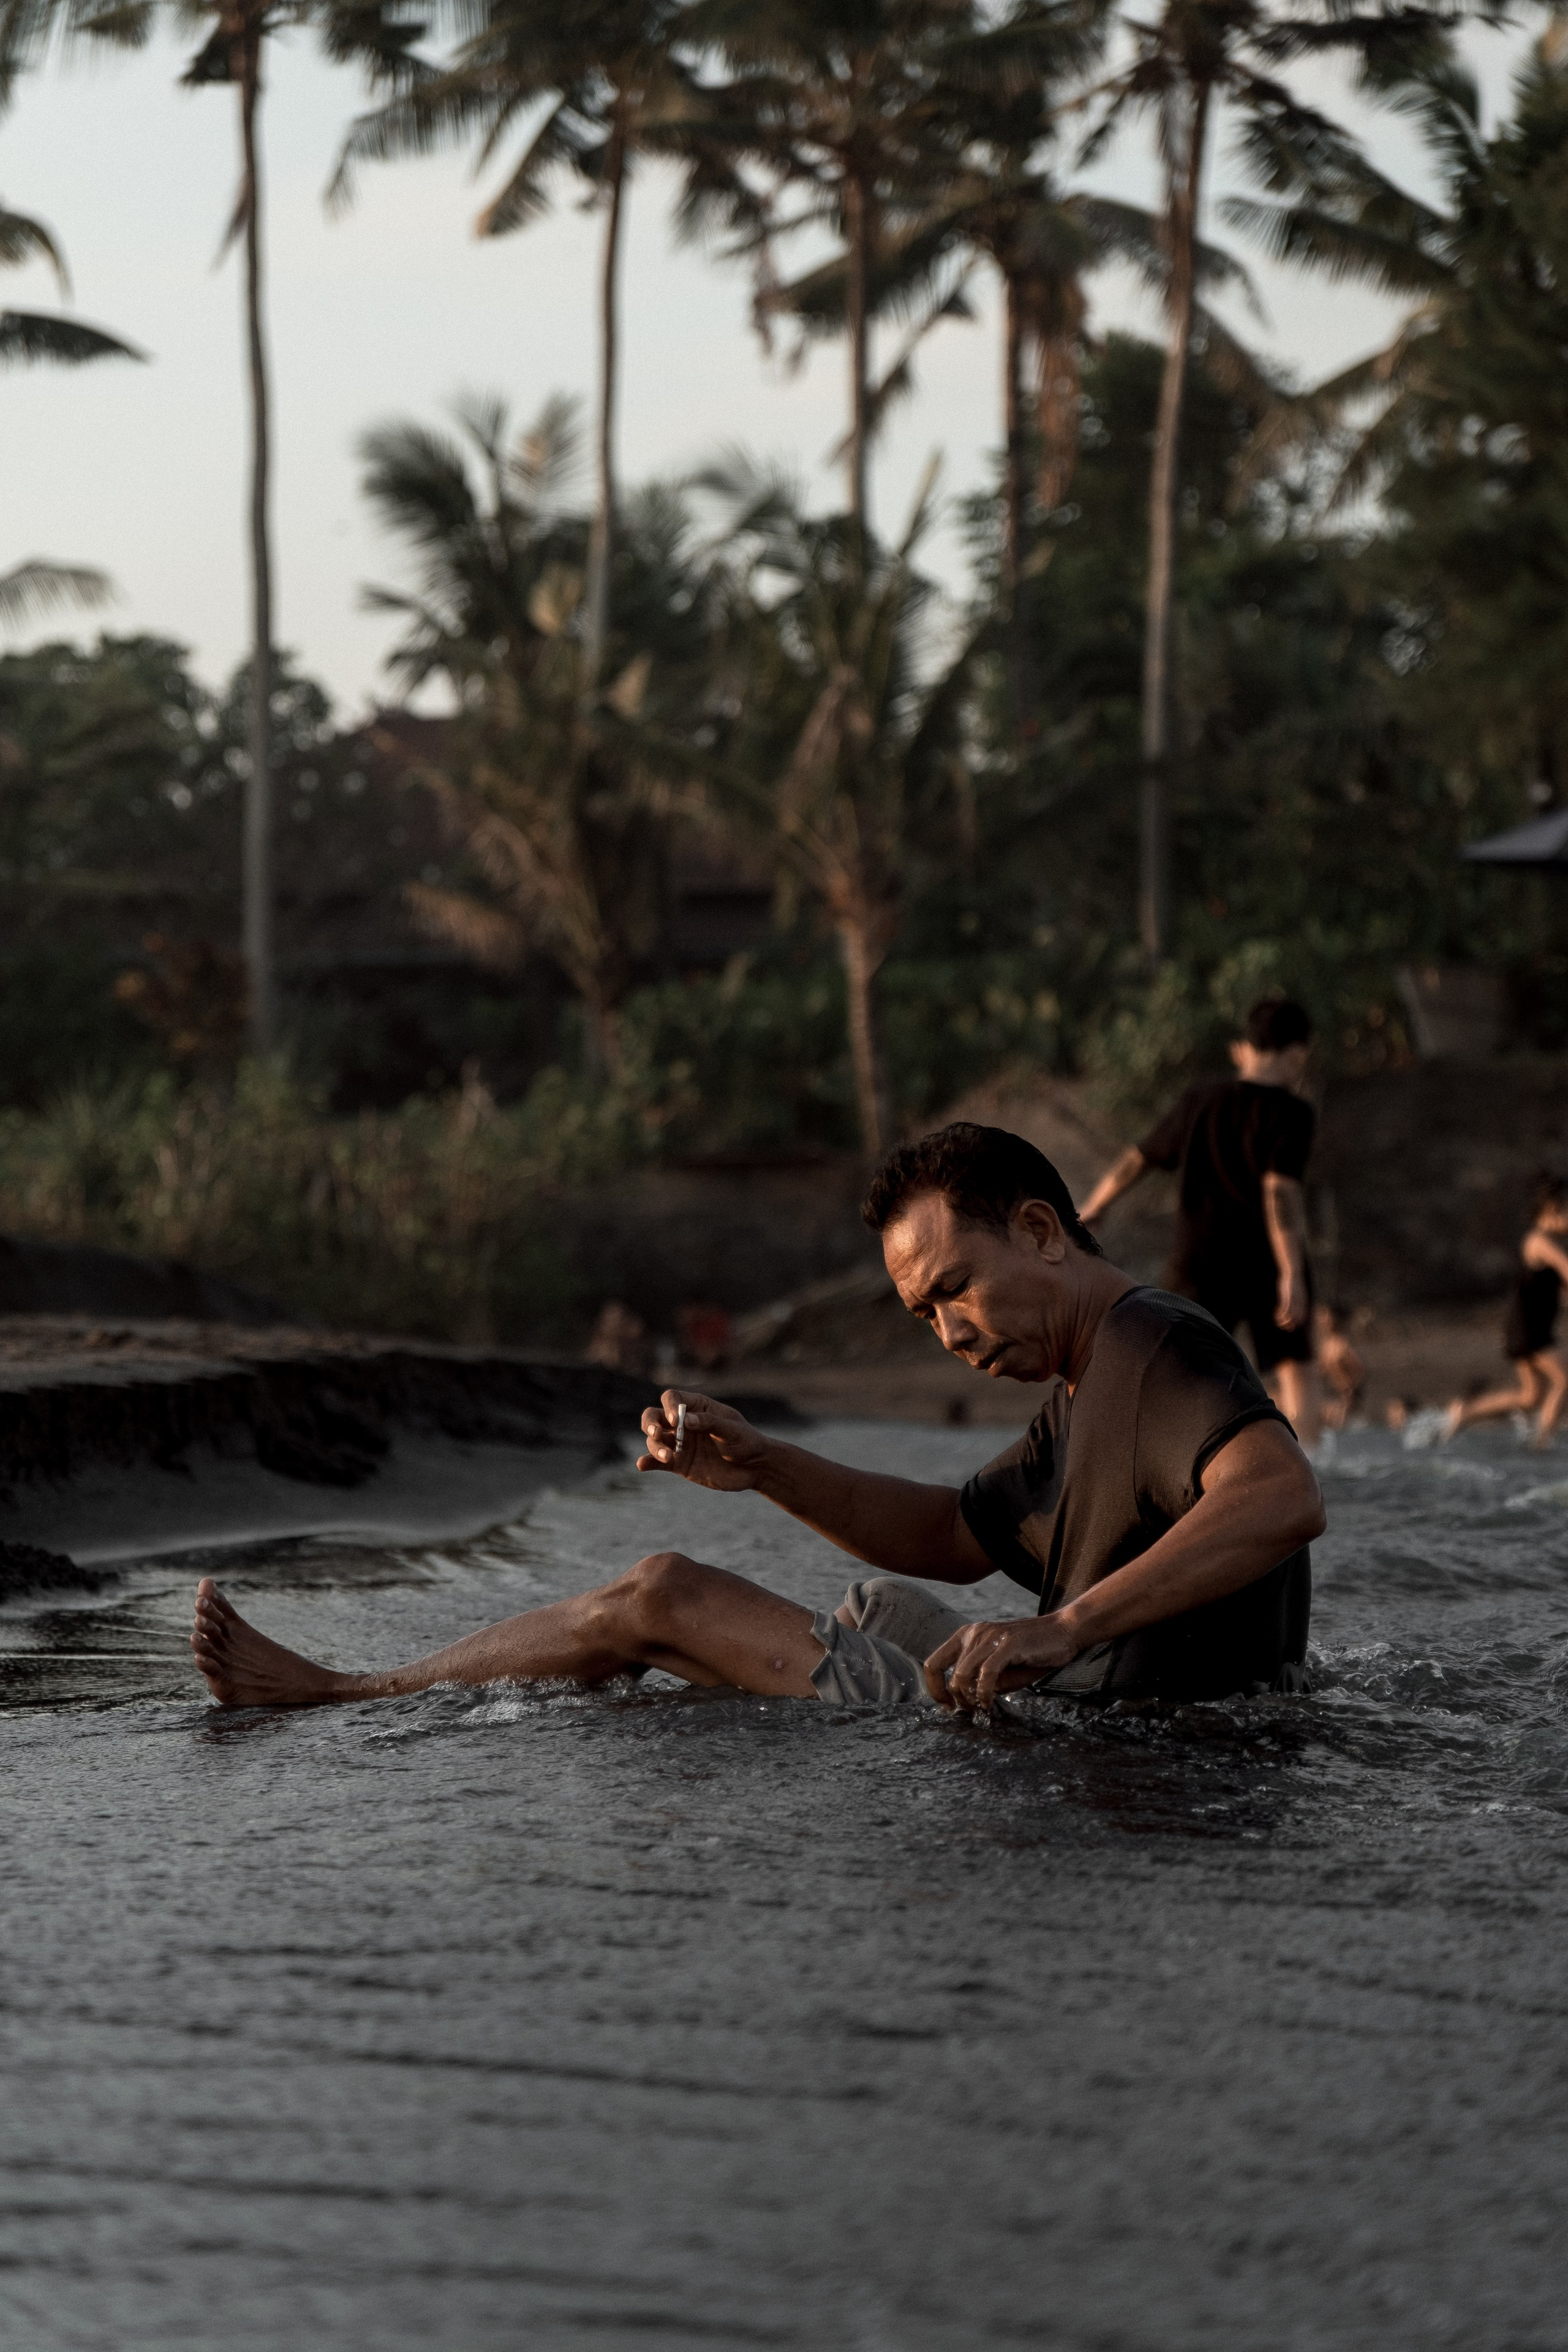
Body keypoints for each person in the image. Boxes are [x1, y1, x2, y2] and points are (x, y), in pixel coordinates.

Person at [189, 1123, 1325, 1719]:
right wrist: (766, 1464)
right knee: (877, 1604)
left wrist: (1064, 1628)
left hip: (1097, 1727)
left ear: (1039, 1231)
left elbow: (1279, 1495)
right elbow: (952, 1535)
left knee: (662, 1591)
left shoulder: (1149, 1343)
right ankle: (632, 1667)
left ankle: (350, 1692)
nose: (947, 1331)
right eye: (923, 1313)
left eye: (955, 1289)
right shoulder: (1084, 1385)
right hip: (1080, 1696)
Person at [1079, 997, 1324, 1449]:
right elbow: (1279, 1194)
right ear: (1296, 1053)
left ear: (1248, 1046)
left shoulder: (1200, 1099)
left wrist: (1096, 1204)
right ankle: (1307, 1467)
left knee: (1179, 1366)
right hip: (1267, 1264)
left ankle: (1167, 1462)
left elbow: (1139, 1158)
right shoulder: (1292, 1112)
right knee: (1296, 1371)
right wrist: (1291, 1272)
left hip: (1201, 1260)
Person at [1444, 1178, 1568, 1448]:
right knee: (1565, 1379)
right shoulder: (1539, 1241)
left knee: (1531, 1397)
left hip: (1528, 1327)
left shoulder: (1545, 1242)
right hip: (1529, 1329)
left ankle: (1466, 1412)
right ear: (1552, 1208)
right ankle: (1542, 1444)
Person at [1314, 1304, 1365, 1431]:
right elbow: (1320, 1375)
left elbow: (1359, 1374)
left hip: (1346, 1400)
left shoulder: (1344, 1346)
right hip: (1331, 1398)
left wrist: (1348, 1400)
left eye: (1326, 1317)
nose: (1322, 1321)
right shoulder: (1326, 1346)